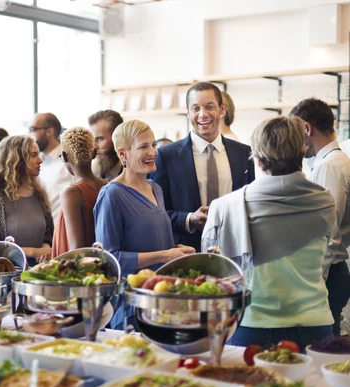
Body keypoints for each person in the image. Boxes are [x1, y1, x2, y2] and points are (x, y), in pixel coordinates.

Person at [202, 116, 335, 349]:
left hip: (249, 325)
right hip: (314, 323)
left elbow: (215, 275)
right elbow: (326, 259)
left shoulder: (224, 207)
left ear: (258, 159)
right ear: (302, 151)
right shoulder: (325, 201)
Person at [94, 120, 195, 329]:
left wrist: (176, 252)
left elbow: (154, 242)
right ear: (123, 154)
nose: (152, 152)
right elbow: (109, 261)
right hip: (133, 307)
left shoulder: (155, 188)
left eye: (153, 144)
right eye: (143, 147)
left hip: (163, 301)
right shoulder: (111, 194)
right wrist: (166, 255)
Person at [151, 82, 255, 252]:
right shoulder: (166, 156)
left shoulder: (244, 154)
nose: (202, 114)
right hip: (188, 251)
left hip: (236, 247)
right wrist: (188, 218)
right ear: (188, 113)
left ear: (222, 110)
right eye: (196, 108)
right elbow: (156, 212)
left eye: (209, 107)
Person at [291, 98, 350, 336]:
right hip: (332, 269)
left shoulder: (330, 166)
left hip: (329, 271)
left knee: (325, 345)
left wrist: (317, 274)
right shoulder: (332, 161)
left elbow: (328, 228)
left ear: (307, 128)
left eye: (296, 131)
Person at [0, 135, 53, 266]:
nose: (40, 160)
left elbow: (48, 234)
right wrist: (34, 252)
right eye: (33, 155)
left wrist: (45, 249)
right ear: (16, 160)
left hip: (41, 271)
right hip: (8, 273)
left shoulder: (38, 193)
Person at [52, 127, 107, 257]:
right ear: (94, 153)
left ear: (65, 156)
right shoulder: (107, 186)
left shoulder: (71, 193)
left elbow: (77, 250)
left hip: (75, 271)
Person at [30, 112, 73, 222]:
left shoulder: (68, 162)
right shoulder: (33, 162)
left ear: (49, 131)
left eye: (33, 129)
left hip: (59, 232)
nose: (31, 135)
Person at [88, 109, 123, 181]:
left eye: (100, 139)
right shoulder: (90, 175)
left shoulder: (138, 174)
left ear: (118, 137)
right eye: (92, 139)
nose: (94, 146)